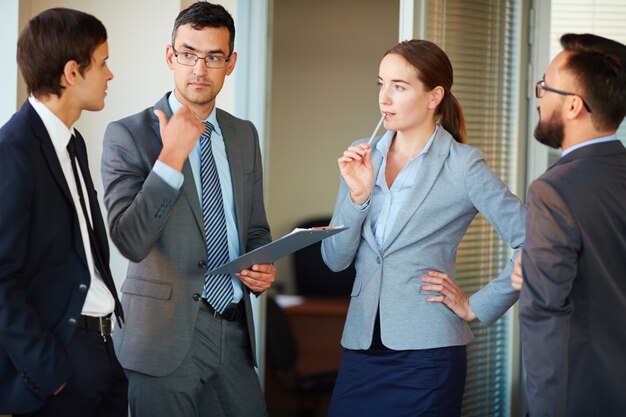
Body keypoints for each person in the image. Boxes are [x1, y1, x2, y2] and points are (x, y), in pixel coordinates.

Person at [321, 39, 526, 416]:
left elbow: (534, 243)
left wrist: (475, 305)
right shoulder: (362, 154)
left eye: (399, 87)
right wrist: (358, 198)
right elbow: (335, 260)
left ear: (434, 96)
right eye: (381, 84)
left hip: (428, 355)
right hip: (361, 350)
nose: (385, 98)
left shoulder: (463, 165)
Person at [100, 2, 275, 416]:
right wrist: (172, 157)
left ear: (230, 64)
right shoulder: (128, 134)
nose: (200, 68)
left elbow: (255, 229)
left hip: (232, 330)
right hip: (162, 337)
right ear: (170, 56)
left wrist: (263, 265)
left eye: (213, 57)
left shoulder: (244, 134)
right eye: (188, 54)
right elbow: (130, 240)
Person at [0, 8, 127, 417]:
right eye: (103, 63)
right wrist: (49, 370)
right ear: (73, 72)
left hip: (104, 352)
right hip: (62, 365)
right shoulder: (12, 151)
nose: (109, 75)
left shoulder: (73, 144)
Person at [514, 33, 626, 416]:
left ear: (575, 105)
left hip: (582, 395)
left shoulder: (553, 190)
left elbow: (544, 312)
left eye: (545, 87)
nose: (539, 96)